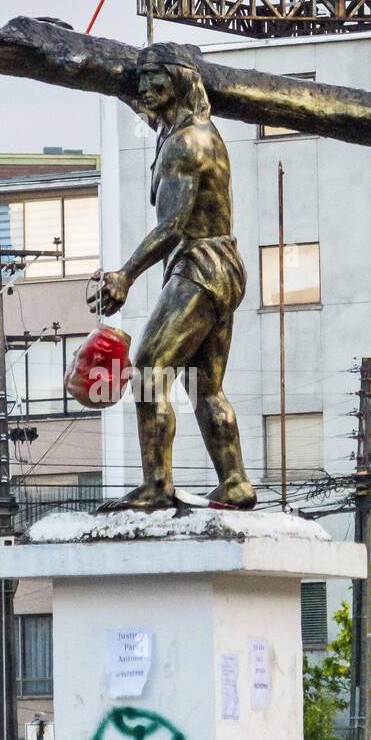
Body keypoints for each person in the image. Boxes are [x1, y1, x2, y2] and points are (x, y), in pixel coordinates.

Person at [98, 41, 256, 512]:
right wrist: (97, 73)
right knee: (205, 387)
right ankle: (235, 483)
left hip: (199, 266)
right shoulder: (184, 129)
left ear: (181, 81)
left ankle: (157, 485)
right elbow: (146, 106)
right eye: (140, 79)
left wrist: (125, 274)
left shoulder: (187, 145)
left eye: (154, 79)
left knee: (147, 367)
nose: (144, 88)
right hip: (223, 265)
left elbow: (172, 226)